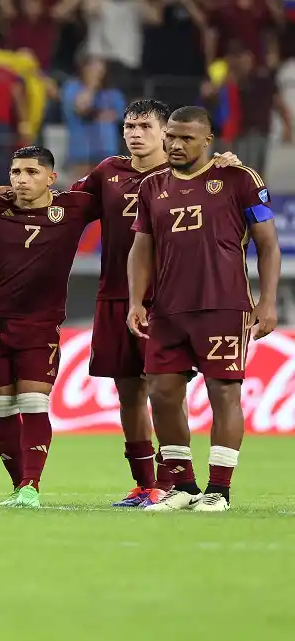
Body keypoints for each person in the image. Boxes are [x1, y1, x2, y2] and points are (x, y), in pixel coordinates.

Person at [0, 99, 242, 507]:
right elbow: (59, 203)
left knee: (164, 390)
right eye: (129, 126)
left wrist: (225, 162)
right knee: (128, 392)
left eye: (145, 127)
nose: (135, 134)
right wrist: (12, 191)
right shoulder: (108, 173)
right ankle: (144, 484)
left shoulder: (186, 172)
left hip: (169, 299)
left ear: (165, 132)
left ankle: (177, 483)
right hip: (116, 295)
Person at [128, 106, 281, 512]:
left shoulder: (239, 179)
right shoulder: (151, 187)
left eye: (186, 138)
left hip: (223, 305)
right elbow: (142, 247)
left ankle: (219, 490)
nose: (176, 144)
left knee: (223, 391)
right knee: (161, 393)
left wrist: (266, 301)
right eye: (172, 137)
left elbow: (268, 244)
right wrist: (135, 301)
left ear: (207, 140)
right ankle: (183, 486)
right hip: (168, 307)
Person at [0, 146, 100, 508]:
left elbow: (126, 189)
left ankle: (31, 486)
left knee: (34, 403)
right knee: (3, 409)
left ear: (51, 178)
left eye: (31, 172)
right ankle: (18, 487)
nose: (22, 179)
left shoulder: (74, 208)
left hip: (39, 324)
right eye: (15, 172)